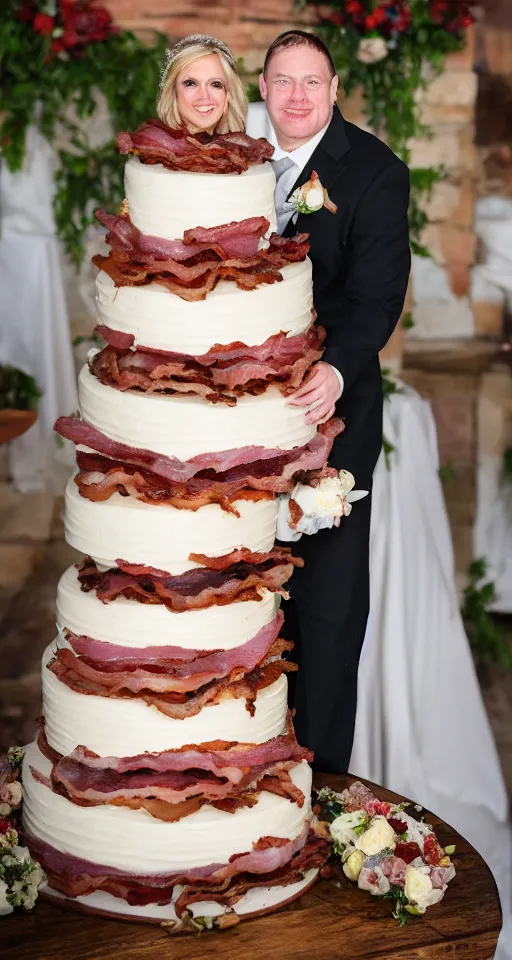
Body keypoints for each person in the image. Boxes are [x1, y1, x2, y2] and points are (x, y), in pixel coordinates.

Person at [247, 31, 411, 774]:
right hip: (241, 428)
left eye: (312, 81)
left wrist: (336, 372)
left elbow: (376, 298)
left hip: (330, 423)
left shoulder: (376, 171)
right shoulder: (234, 165)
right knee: (244, 603)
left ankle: (320, 783)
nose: (298, 97)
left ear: (336, 87)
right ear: (263, 86)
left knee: (327, 610)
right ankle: (240, 771)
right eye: (284, 81)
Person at [157, 34, 247, 134]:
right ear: (173, 90)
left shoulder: (249, 149)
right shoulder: (145, 148)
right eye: (191, 84)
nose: (204, 96)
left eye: (215, 84)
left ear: (229, 94)